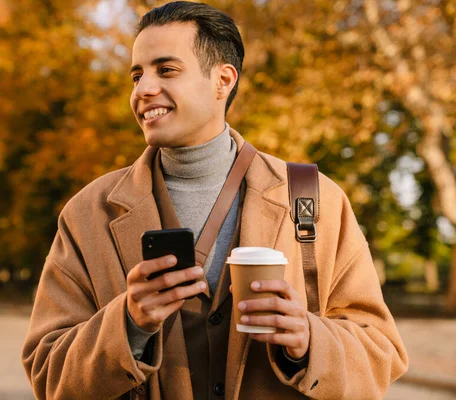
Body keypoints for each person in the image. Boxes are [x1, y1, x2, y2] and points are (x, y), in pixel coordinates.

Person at [21, 2, 408, 399]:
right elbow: (47, 372)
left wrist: (309, 339)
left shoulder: (311, 196)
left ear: (223, 80)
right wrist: (129, 323)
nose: (143, 89)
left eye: (166, 70)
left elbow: (382, 352)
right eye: (137, 75)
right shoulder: (88, 212)